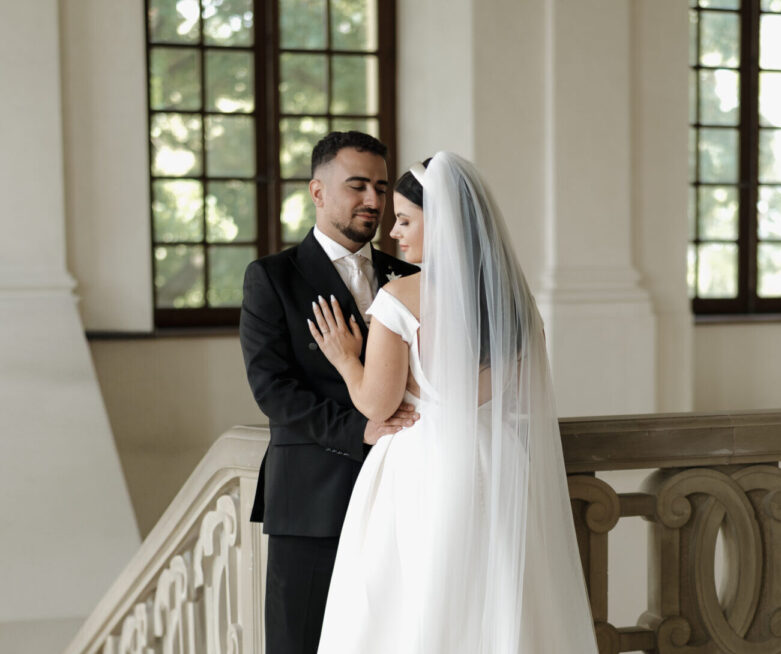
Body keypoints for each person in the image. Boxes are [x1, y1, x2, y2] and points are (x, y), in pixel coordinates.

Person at [309, 152, 599, 653]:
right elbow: (521, 393)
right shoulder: (516, 303)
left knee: (416, 600)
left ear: (440, 222)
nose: (393, 233)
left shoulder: (400, 298)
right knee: (502, 593)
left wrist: (344, 358)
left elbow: (377, 406)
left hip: (423, 465)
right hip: (500, 458)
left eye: (404, 220)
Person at [239, 131, 421, 653]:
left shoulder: (407, 274)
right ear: (318, 192)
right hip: (312, 497)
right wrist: (360, 429)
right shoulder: (273, 278)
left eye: (382, 189)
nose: (373, 201)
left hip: (401, 491)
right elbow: (272, 389)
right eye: (358, 185)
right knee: (300, 643)